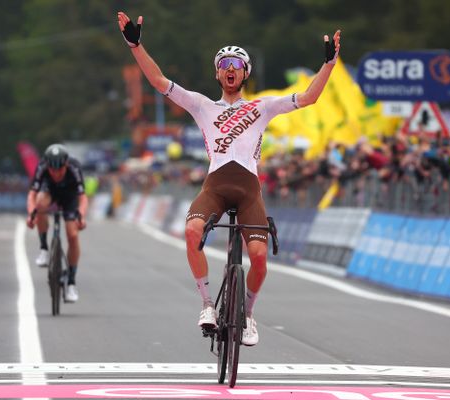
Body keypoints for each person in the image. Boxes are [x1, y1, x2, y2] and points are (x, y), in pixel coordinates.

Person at [118, 12, 341, 346]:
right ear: (218, 73)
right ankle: (207, 304)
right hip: (216, 188)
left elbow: (308, 98)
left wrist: (329, 66)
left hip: (249, 191)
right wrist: (136, 46)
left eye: (237, 63)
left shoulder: (262, 107)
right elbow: (160, 82)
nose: (231, 69)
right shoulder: (202, 106)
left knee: (261, 258)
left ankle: (248, 315)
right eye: (224, 64)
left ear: (245, 72)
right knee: (192, 232)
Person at [26, 144, 88, 303]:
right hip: (49, 192)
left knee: (72, 235)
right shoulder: (42, 167)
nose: (56, 173)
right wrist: (31, 215)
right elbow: (32, 195)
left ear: (66, 164)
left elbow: (83, 198)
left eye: (60, 169)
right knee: (40, 203)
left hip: (70, 196)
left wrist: (81, 216)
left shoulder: (75, 167)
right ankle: (44, 249)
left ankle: (72, 282)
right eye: (52, 170)